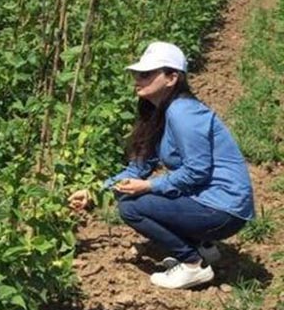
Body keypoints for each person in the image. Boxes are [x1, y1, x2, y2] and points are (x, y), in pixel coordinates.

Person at [69, 41, 255, 290]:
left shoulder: (183, 113)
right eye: (137, 73)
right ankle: (203, 249)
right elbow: (137, 170)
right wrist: (95, 191)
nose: (138, 79)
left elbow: (196, 172)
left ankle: (192, 264)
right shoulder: (157, 114)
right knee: (139, 199)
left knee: (133, 207)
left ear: (172, 78)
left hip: (224, 208)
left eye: (147, 74)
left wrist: (148, 186)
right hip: (211, 203)